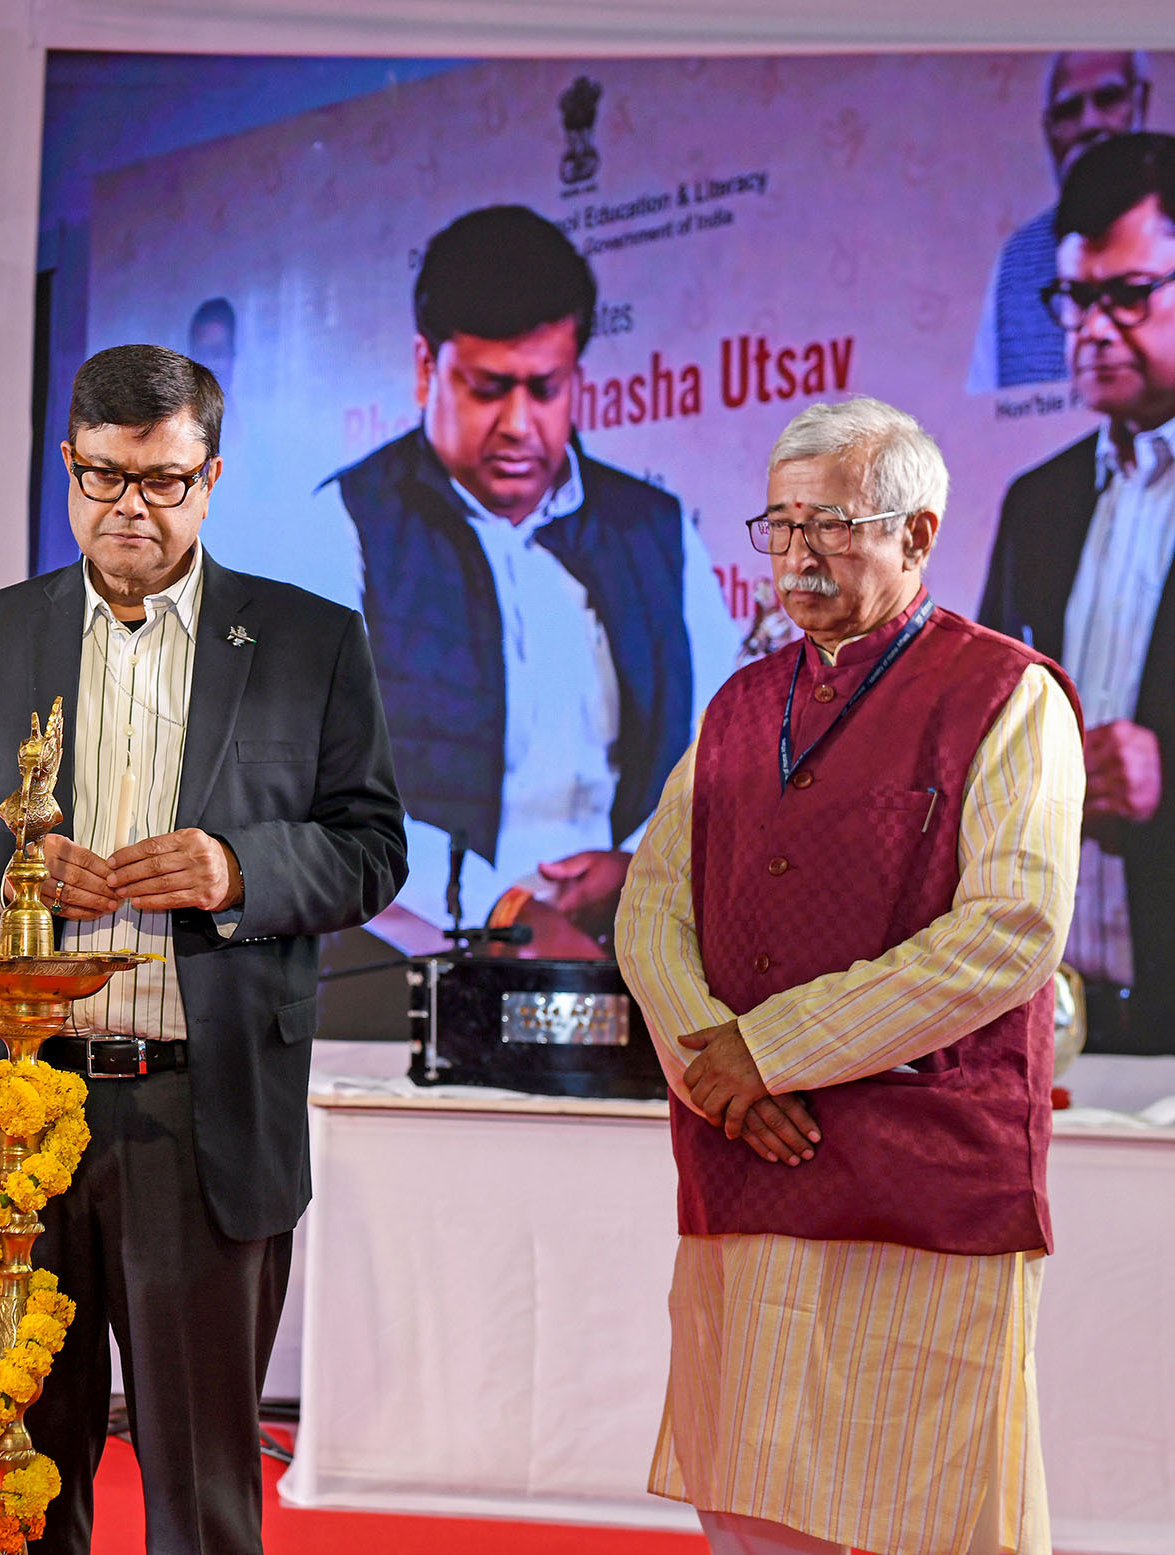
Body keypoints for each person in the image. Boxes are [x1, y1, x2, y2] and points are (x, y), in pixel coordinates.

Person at [0, 344, 406, 1555]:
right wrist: (6, 877)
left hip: (202, 1116)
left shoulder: (310, 642)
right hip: (18, 1111)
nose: (131, 509)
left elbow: (372, 850)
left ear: (210, 477)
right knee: (22, 1480)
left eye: (162, 482)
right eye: (104, 478)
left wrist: (237, 869)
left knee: (205, 1497)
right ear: (66, 467)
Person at [618, 397, 1084, 1555]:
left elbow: (1010, 928)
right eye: (777, 526)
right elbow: (651, 907)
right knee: (751, 1490)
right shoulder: (737, 707)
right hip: (746, 1158)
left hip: (916, 1174)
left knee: (920, 1505)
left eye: (831, 525)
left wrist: (768, 1050)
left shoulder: (1006, 693)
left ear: (918, 535)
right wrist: (713, 1069)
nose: (796, 556)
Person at [317, 204, 737, 951]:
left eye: (545, 389)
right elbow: (319, 787)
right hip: (401, 967)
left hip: (622, 956)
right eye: (488, 388)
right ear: (425, 368)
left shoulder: (657, 530)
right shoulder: (343, 526)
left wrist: (641, 866)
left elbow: (719, 750)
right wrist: (499, 908)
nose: (518, 423)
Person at [979, 132, 1175, 1055]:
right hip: (1044, 1015)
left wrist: (1165, 780)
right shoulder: (1037, 502)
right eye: (1075, 297)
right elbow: (970, 729)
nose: (1092, 328)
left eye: (1129, 295)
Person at [967, 52, 1152, 394]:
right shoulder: (1018, 262)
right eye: (1069, 111)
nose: (1090, 123)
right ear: (1049, 131)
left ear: (1140, 101)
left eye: (1108, 99)